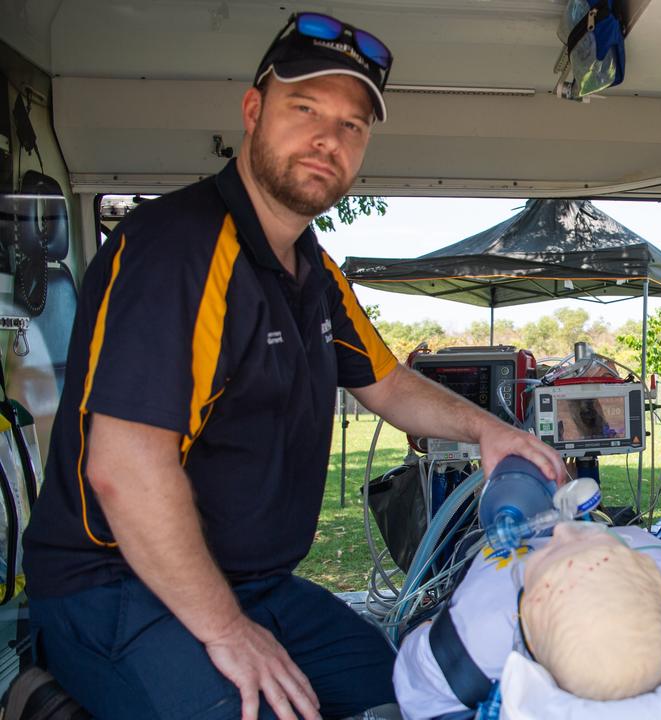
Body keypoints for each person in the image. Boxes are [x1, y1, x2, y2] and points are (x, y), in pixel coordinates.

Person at [18, 12, 564, 720]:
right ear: (253, 112)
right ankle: (49, 697)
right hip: (114, 586)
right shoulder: (178, 248)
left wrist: (490, 432)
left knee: (413, 696)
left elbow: (389, 383)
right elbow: (123, 469)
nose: (326, 139)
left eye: (351, 126)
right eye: (304, 108)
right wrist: (225, 631)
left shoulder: (313, 271)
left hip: (254, 583)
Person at [393, 522, 661, 719]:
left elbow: (418, 686)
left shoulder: (479, 636)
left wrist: (422, 633)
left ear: (526, 617)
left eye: (553, 552)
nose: (562, 529)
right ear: (650, 576)